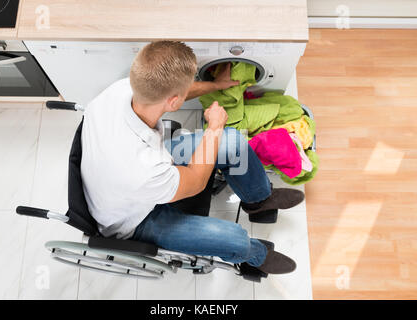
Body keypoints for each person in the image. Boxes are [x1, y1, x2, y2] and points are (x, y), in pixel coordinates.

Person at [81, 41, 304, 275]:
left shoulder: (122, 88)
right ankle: (255, 255)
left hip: (127, 172)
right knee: (234, 239)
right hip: (133, 220)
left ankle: (258, 201)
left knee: (235, 143)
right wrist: (215, 128)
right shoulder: (145, 170)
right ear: (173, 101)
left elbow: (172, 90)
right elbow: (196, 181)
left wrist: (215, 84)